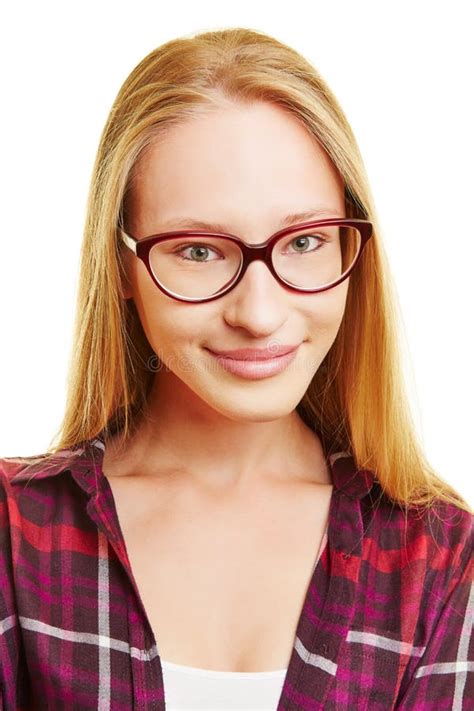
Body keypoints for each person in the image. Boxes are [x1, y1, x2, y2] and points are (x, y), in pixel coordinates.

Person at [0, 27, 472, 711]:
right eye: (198, 251)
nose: (258, 311)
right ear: (123, 267)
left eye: (306, 241)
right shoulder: (16, 536)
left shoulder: (439, 561)